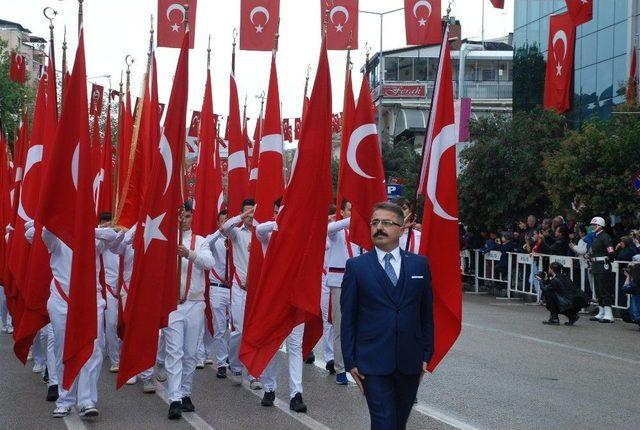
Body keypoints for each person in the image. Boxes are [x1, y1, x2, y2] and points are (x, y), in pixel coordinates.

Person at [341, 201, 434, 430]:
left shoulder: (419, 265)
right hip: (372, 363)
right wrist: (350, 360)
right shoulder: (357, 267)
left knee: (398, 423)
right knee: (384, 422)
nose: (378, 228)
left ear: (401, 229)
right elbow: (348, 318)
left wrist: (426, 353)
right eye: (374, 223)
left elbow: (426, 313)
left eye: (386, 223)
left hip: (409, 361)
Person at [32, 223, 119, 418]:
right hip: (62, 299)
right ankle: (65, 399)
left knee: (93, 349)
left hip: (90, 300)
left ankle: (87, 400)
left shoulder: (94, 236)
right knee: (63, 349)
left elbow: (113, 237)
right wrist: (66, 226)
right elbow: (45, 233)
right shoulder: (56, 237)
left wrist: (86, 230)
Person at [254, 198, 308, 413]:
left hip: (294, 300)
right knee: (272, 346)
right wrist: (282, 221)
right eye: (276, 211)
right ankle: (269, 388)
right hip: (273, 300)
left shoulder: (300, 237)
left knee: (295, 348)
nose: (278, 215)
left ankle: (296, 393)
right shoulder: (268, 235)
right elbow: (259, 229)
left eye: (282, 212)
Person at [165, 202, 215, 420]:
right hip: (173, 305)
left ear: (191, 217)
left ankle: (185, 393)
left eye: (186, 216)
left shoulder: (200, 241)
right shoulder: (166, 239)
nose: (183, 220)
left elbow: (209, 263)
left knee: (190, 353)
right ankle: (174, 397)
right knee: (174, 352)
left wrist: (189, 254)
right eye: (180, 217)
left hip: (194, 303)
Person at [220, 198, 263, 390]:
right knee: (238, 330)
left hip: (257, 289)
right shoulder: (236, 233)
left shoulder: (260, 232)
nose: (250, 216)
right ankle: (236, 366)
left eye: (253, 212)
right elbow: (225, 227)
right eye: (247, 212)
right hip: (239, 288)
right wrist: (242, 216)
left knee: (256, 331)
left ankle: (255, 373)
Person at [326, 200, 362, 385]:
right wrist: (352, 220)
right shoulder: (336, 231)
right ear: (342, 211)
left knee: (362, 327)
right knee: (341, 326)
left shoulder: (363, 233)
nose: (353, 213)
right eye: (350, 209)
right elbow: (329, 229)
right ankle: (340, 368)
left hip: (361, 283)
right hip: (339, 282)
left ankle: (360, 365)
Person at [199, 209, 231, 380]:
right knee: (219, 328)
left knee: (237, 328)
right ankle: (222, 364)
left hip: (235, 288)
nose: (225, 224)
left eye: (228, 220)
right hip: (217, 287)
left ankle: (232, 358)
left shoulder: (236, 237)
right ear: (218, 223)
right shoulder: (213, 239)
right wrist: (220, 231)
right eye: (222, 221)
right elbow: (207, 241)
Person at [588, 217, 616, 323]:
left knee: (604, 290)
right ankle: (601, 312)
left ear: (600, 226)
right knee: (599, 291)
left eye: (594, 225)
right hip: (596, 266)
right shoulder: (596, 237)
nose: (592, 227)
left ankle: (609, 315)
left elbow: (611, 251)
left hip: (603, 266)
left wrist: (610, 258)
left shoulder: (605, 237)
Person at [621, 264, 640, 329]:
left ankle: (637, 319)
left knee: (625, 314)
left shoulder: (635, 285)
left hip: (637, 315)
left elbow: (624, 288)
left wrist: (628, 276)